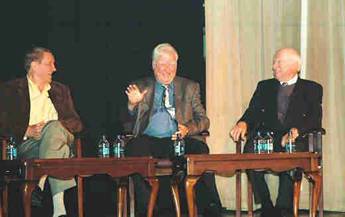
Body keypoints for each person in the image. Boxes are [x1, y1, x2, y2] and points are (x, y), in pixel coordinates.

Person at [124, 43, 222, 217]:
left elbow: (204, 120)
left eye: (172, 64)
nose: (168, 69)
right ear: (154, 65)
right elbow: (126, 123)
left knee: (201, 151)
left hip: (179, 140)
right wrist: (133, 105)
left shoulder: (190, 87)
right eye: (163, 64)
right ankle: (146, 211)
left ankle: (210, 211)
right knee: (134, 150)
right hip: (150, 141)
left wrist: (188, 129)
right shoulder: (140, 85)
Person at [229, 48, 322, 217]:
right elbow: (253, 111)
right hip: (268, 137)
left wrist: (296, 131)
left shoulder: (312, 88)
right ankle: (266, 205)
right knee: (249, 152)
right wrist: (243, 123)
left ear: (295, 66)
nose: (274, 66)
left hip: (294, 137)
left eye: (279, 62)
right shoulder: (264, 86)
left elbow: (314, 118)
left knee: (291, 152)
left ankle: (283, 208)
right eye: (274, 62)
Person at [0, 47, 83, 217]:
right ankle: (58, 206)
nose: (54, 68)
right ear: (34, 65)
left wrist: (53, 126)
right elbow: (3, 122)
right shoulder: (10, 90)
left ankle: (41, 180)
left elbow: (77, 123)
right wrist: (26, 130)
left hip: (60, 135)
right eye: (50, 63)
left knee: (53, 130)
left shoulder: (61, 90)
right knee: (61, 151)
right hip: (29, 144)